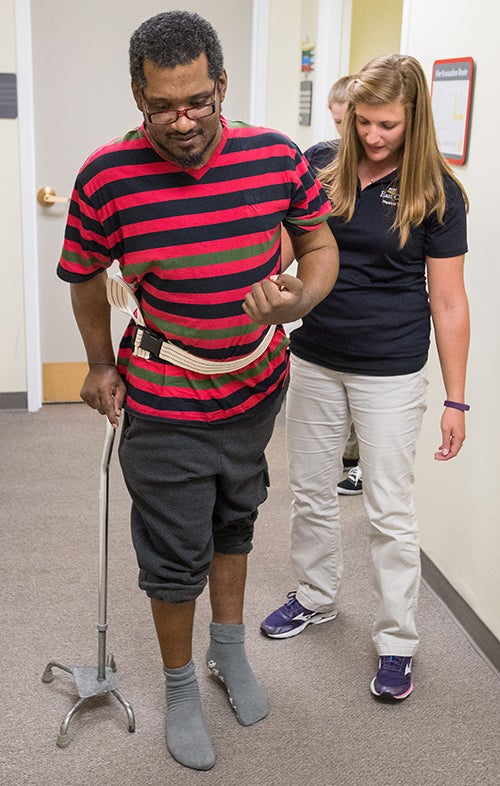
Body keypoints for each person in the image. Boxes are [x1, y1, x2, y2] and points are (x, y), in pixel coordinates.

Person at [56, 10, 338, 771]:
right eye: (160, 106)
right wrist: (95, 363)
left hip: (255, 383)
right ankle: (181, 686)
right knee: (176, 546)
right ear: (137, 94)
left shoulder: (276, 155)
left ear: (221, 84)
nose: (181, 121)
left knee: (236, 521)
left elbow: (317, 240)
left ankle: (229, 653)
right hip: (165, 390)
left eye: (196, 101)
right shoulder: (107, 175)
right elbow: (84, 275)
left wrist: (300, 300)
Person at [261, 54, 470, 702]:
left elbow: (450, 301)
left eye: (387, 125)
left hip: (390, 370)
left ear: (412, 121)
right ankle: (317, 597)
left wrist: (456, 400)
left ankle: (397, 642)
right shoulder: (322, 162)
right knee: (312, 493)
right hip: (316, 354)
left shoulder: (436, 190)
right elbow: (285, 250)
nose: (373, 136)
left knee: (388, 510)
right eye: (363, 121)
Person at [328, 75, 364, 496]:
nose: (347, 133)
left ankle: (357, 466)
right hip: (325, 322)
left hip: (380, 342)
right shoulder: (322, 163)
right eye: (338, 122)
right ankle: (351, 462)